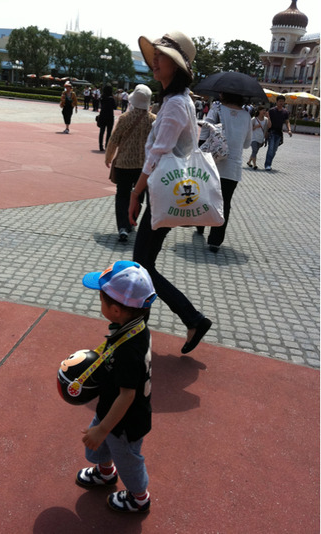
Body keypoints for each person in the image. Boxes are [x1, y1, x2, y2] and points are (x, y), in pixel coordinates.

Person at [128, 31, 212, 354]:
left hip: (162, 194)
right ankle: (149, 326)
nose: (154, 61)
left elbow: (158, 153)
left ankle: (188, 319)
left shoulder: (176, 104)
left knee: (142, 266)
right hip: (165, 192)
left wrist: (135, 193)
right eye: (155, 55)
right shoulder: (178, 101)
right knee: (144, 264)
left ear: (175, 66)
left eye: (160, 56)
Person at [76, 260, 156, 513]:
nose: (99, 304)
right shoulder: (134, 327)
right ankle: (105, 472)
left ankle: (138, 498)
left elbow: (127, 396)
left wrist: (103, 429)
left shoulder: (129, 350)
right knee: (100, 446)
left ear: (116, 310)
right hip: (110, 408)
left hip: (125, 423)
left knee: (127, 460)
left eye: (101, 300)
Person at [198, 92, 252, 252]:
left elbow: (204, 132)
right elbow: (247, 143)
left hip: (212, 162)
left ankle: (200, 224)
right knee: (225, 203)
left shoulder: (217, 109)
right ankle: (215, 241)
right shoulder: (246, 116)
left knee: (206, 196)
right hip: (233, 166)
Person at [105, 84, 156, 241]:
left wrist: (108, 157)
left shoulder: (125, 118)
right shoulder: (154, 120)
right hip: (145, 166)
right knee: (138, 195)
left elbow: (114, 139)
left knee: (122, 195)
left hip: (124, 164)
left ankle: (123, 226)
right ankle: (131, 221)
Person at [264, 95, 292, 170]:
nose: (281, 103)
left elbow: (287, 121)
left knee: (274, 150)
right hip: (271, 132)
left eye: (282, 101)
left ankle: (269, 163)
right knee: (270, 149)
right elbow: (267, 121)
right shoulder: (271, 110)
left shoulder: (285, 112)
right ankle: (267, 165)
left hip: (279, 133)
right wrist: (266, 132)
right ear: (276, 102)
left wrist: (289, 130)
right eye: (280, 101)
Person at [98, 84, 116, 151]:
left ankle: (100, 146)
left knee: (101, 131)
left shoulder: (102, 97)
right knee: (109, 132)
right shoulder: (111, 98)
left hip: (102, 115)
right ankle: (107, 146)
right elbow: (115, 107)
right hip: (110, 116)